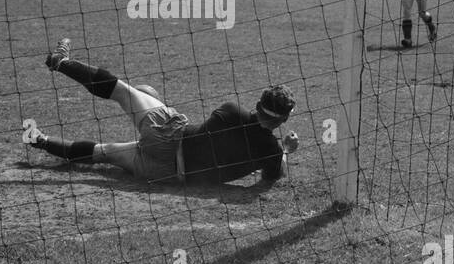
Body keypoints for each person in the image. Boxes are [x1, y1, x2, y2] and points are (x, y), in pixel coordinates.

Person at [28, 38, 299, 185]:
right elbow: (272, 175)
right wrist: (284, 150)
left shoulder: (232, 111)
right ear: (284, 119)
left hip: (167, 135)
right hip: (169, 175)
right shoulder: (270, 151)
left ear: (257, 103)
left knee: (124, 91)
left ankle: (60, 62)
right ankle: (39, 140)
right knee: (103, 153)